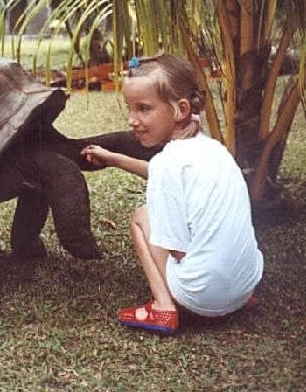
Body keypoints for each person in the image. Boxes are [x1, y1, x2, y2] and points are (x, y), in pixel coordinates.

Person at [81, 54, 263, 335]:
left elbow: (176, 245)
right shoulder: (213, 149)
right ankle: (234, 294)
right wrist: (115, 158)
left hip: (203, 297)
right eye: (129, 108)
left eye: (143, 108)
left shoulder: (169, 163)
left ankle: (163, 306)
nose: (132, 120)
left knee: (141, 217)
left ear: (180, 109)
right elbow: (160, 173)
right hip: (243, 288)